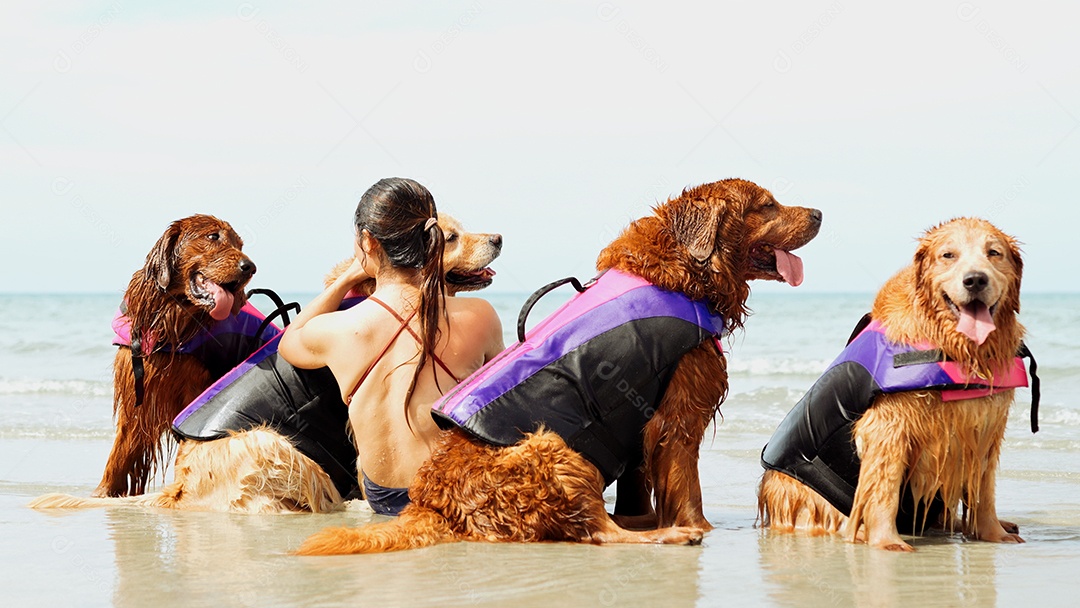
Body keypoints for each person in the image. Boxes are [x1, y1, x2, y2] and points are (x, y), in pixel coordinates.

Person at [279, 177, 504, 515]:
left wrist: (345, 279)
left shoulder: (338, 331)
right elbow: (505, 406)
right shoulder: (480, 315)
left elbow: (289, 341)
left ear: (368, 242)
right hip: (456, 495)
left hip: (384, 499)